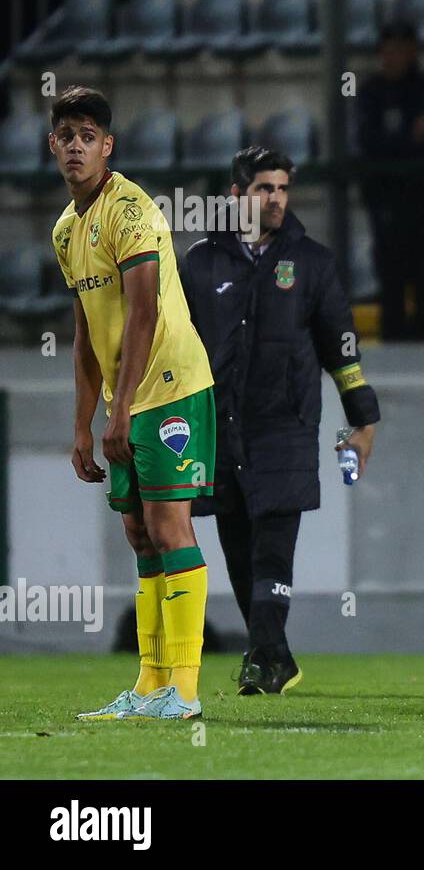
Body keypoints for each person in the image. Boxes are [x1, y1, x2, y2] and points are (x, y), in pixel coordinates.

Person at [181, 147, 380, 695]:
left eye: (283, 188)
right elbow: (177, 346)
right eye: (265, 188)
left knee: (273, 547)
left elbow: (341, 347)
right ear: (236, 195)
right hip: (220, 427)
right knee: (239, 554)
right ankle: (274, 656)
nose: (276, 198)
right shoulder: (201, 261)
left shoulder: (312, 261)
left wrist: (361, 420)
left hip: (286, 426)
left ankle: (261, 661)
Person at [50, 86, 214, 721]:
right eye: (66, 136)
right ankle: (150, 685)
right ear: (53, 146)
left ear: (107, 146)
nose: (76, 146)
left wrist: (119, 415)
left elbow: (143, 313)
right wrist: (83, 426)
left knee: (170, 524)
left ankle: (188, 689)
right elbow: (86, 331)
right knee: (138, 531)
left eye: (88, 136)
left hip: (170, 383)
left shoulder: (133, 211)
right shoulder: (67, 231)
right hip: (124, 397)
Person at [356, 21, 424, 341]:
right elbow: (368, 143)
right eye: (388, 51)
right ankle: (392, 353)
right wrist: (411, 138)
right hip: (387, 205)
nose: (394, 58)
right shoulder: (371, 94)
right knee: (391, 284)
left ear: (413, 52)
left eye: (402, 50)